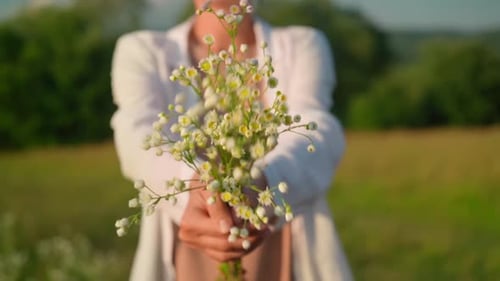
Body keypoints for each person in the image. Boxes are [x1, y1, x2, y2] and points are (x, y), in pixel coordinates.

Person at [111, 0, 353, 280]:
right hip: (185, 244)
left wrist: (264, 182)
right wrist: (193, 187)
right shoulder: (145, 51)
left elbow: (316, 130)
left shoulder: (301, 45)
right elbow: (135, 134)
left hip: (278, 239)